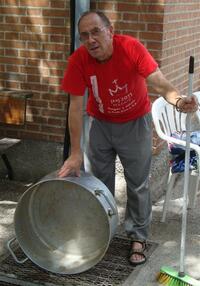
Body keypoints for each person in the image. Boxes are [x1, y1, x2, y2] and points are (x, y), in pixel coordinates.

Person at [59, 10, 198, 266]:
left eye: (96, 32)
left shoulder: (131, 48)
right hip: (100, 125)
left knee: (137, 184)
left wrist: (179, 102)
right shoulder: (79, 60)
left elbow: (159, 83)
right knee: (98, 184)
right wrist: (76, 152)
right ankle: (103, 231)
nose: (90, 40)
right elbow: (75, 108)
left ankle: (138, 236)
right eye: (84, 36)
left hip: (135, 124)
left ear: (110, 31)